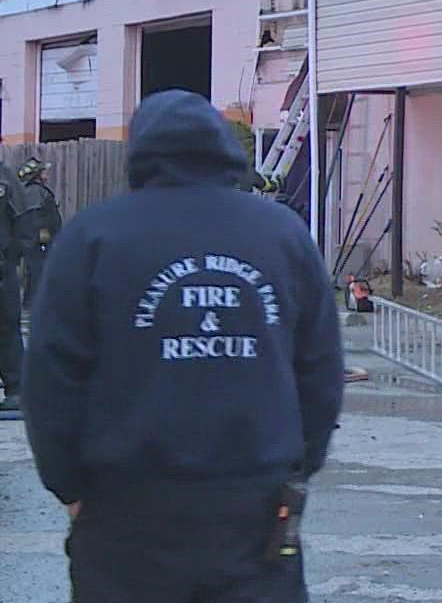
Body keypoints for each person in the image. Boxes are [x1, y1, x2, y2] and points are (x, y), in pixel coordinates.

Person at [25, 91, 344, 603]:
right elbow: (321, 370)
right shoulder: (281, 234)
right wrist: (296, 467)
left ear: (140, 152)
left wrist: (70, 487)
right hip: (253, 504)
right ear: (223, 150)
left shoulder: (93, 237)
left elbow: (50, 377)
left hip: (125, 505)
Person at [13, 156, 62, 306]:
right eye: (43, 172)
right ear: (35, 175)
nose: (46, 175)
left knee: (35, 271)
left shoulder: (35, 191)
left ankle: (30, 302)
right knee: (38, 271)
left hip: (37, 240)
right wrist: (43, 234)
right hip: (38, 240)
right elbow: (34, 218)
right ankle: (35, 304)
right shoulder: (34, 192)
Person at [0, 170, 19, 417]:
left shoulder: (7, 179)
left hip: (1, 267)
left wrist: (8, 260)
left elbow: (25, 221)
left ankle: (16, 390)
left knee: (7, 327)